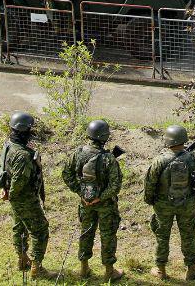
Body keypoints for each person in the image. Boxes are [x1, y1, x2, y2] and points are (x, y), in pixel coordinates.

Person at [61, 119, 123, 283]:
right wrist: (100, 197)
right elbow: (115, 186)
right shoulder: (109, 158)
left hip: (85, 202)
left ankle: (84, 268)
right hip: (106, 205)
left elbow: (66, 174)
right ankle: (109, 271)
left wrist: (80, 192)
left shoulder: (78, 153)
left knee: (86, 233)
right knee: (108, 235)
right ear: (104, 137)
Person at [144, 125, 195, 281]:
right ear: (184, 140)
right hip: (187, 204)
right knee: (188, 235)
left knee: (162, 236)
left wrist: (149, 199)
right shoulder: (192, 157)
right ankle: (191, 269)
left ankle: (160, 269)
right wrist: (187, 151)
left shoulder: (160, 160)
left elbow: (150, 183)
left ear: (167, 141)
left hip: (163, 205)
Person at [0, 111, 51, 278]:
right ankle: (37, 268)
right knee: (40, 230)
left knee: (19, 228)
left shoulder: (8, 146)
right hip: (24, 198)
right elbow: (19, 181)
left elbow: (3, 170)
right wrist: (11, 194)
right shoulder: (23, 155)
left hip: (14, 196)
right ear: (24, 131)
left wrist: (5, 190)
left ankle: (22, 259)